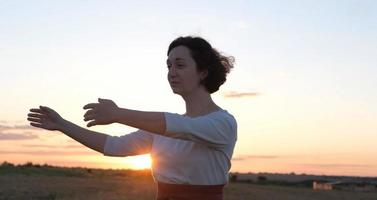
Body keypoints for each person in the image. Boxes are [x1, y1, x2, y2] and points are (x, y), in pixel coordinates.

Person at [27, 36, 237, 200]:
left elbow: (181, 127)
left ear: (203, 73)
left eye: (180, 65)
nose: (171, 72)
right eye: (168, 66)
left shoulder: (222, 123)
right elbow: (114, 146)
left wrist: (117, 114)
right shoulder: (162, 128)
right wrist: (62, 124)